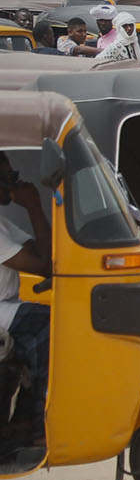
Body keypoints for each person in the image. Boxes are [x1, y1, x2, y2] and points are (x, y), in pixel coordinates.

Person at [0, 154, 52, 444]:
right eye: (8, 178)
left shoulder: (4, 225)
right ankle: (28, 419)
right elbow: (43, 264)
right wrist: (33, 206)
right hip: (2, 309)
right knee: (49, 327)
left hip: (7, 306)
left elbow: (48, 254)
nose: (15, 183)